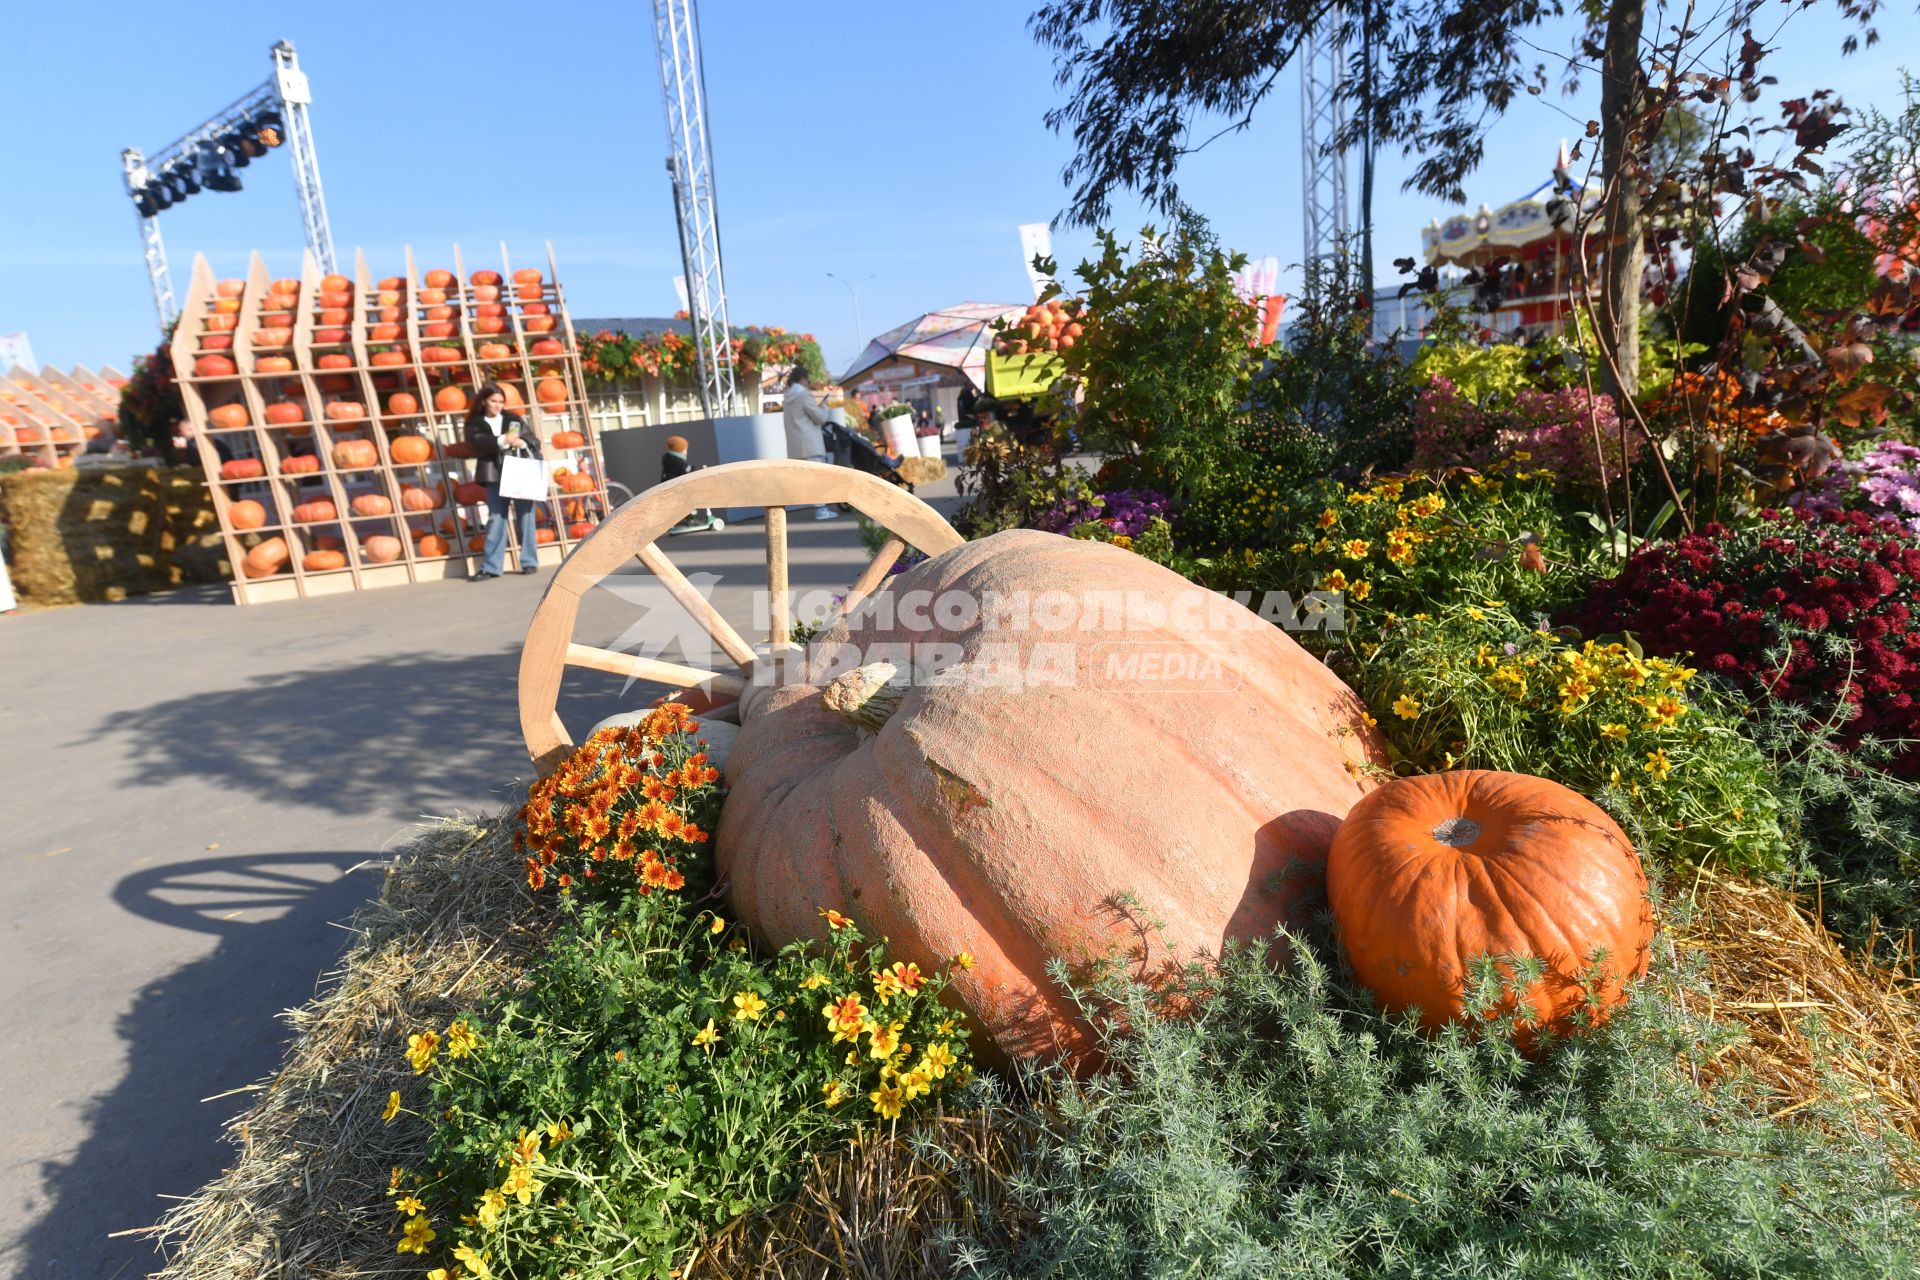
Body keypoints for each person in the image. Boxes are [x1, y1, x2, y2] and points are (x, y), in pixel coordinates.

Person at [464, 382, 543, 580]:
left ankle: (529, 562)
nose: (497, 405)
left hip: (519, 473)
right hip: (494, 477)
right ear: (484, 401)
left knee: (526, 516)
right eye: (493, 401)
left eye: (500, 401)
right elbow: (476, 444)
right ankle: (491, 567)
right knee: (496, 519)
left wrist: (522, 441)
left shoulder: (513, 419)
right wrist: (502, 440)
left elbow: (533, 441)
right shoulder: (475, 423)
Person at [782, 368, 837, 520]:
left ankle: (819, 508)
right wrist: (825, 405)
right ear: (803, 379)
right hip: (811, 443)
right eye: (808, 379)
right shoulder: (803, 394)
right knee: (818, 478)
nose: (808, 382)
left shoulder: (787, 396)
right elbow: (820, 418)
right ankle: (821, 509)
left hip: (796, 444)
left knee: (807, 479)